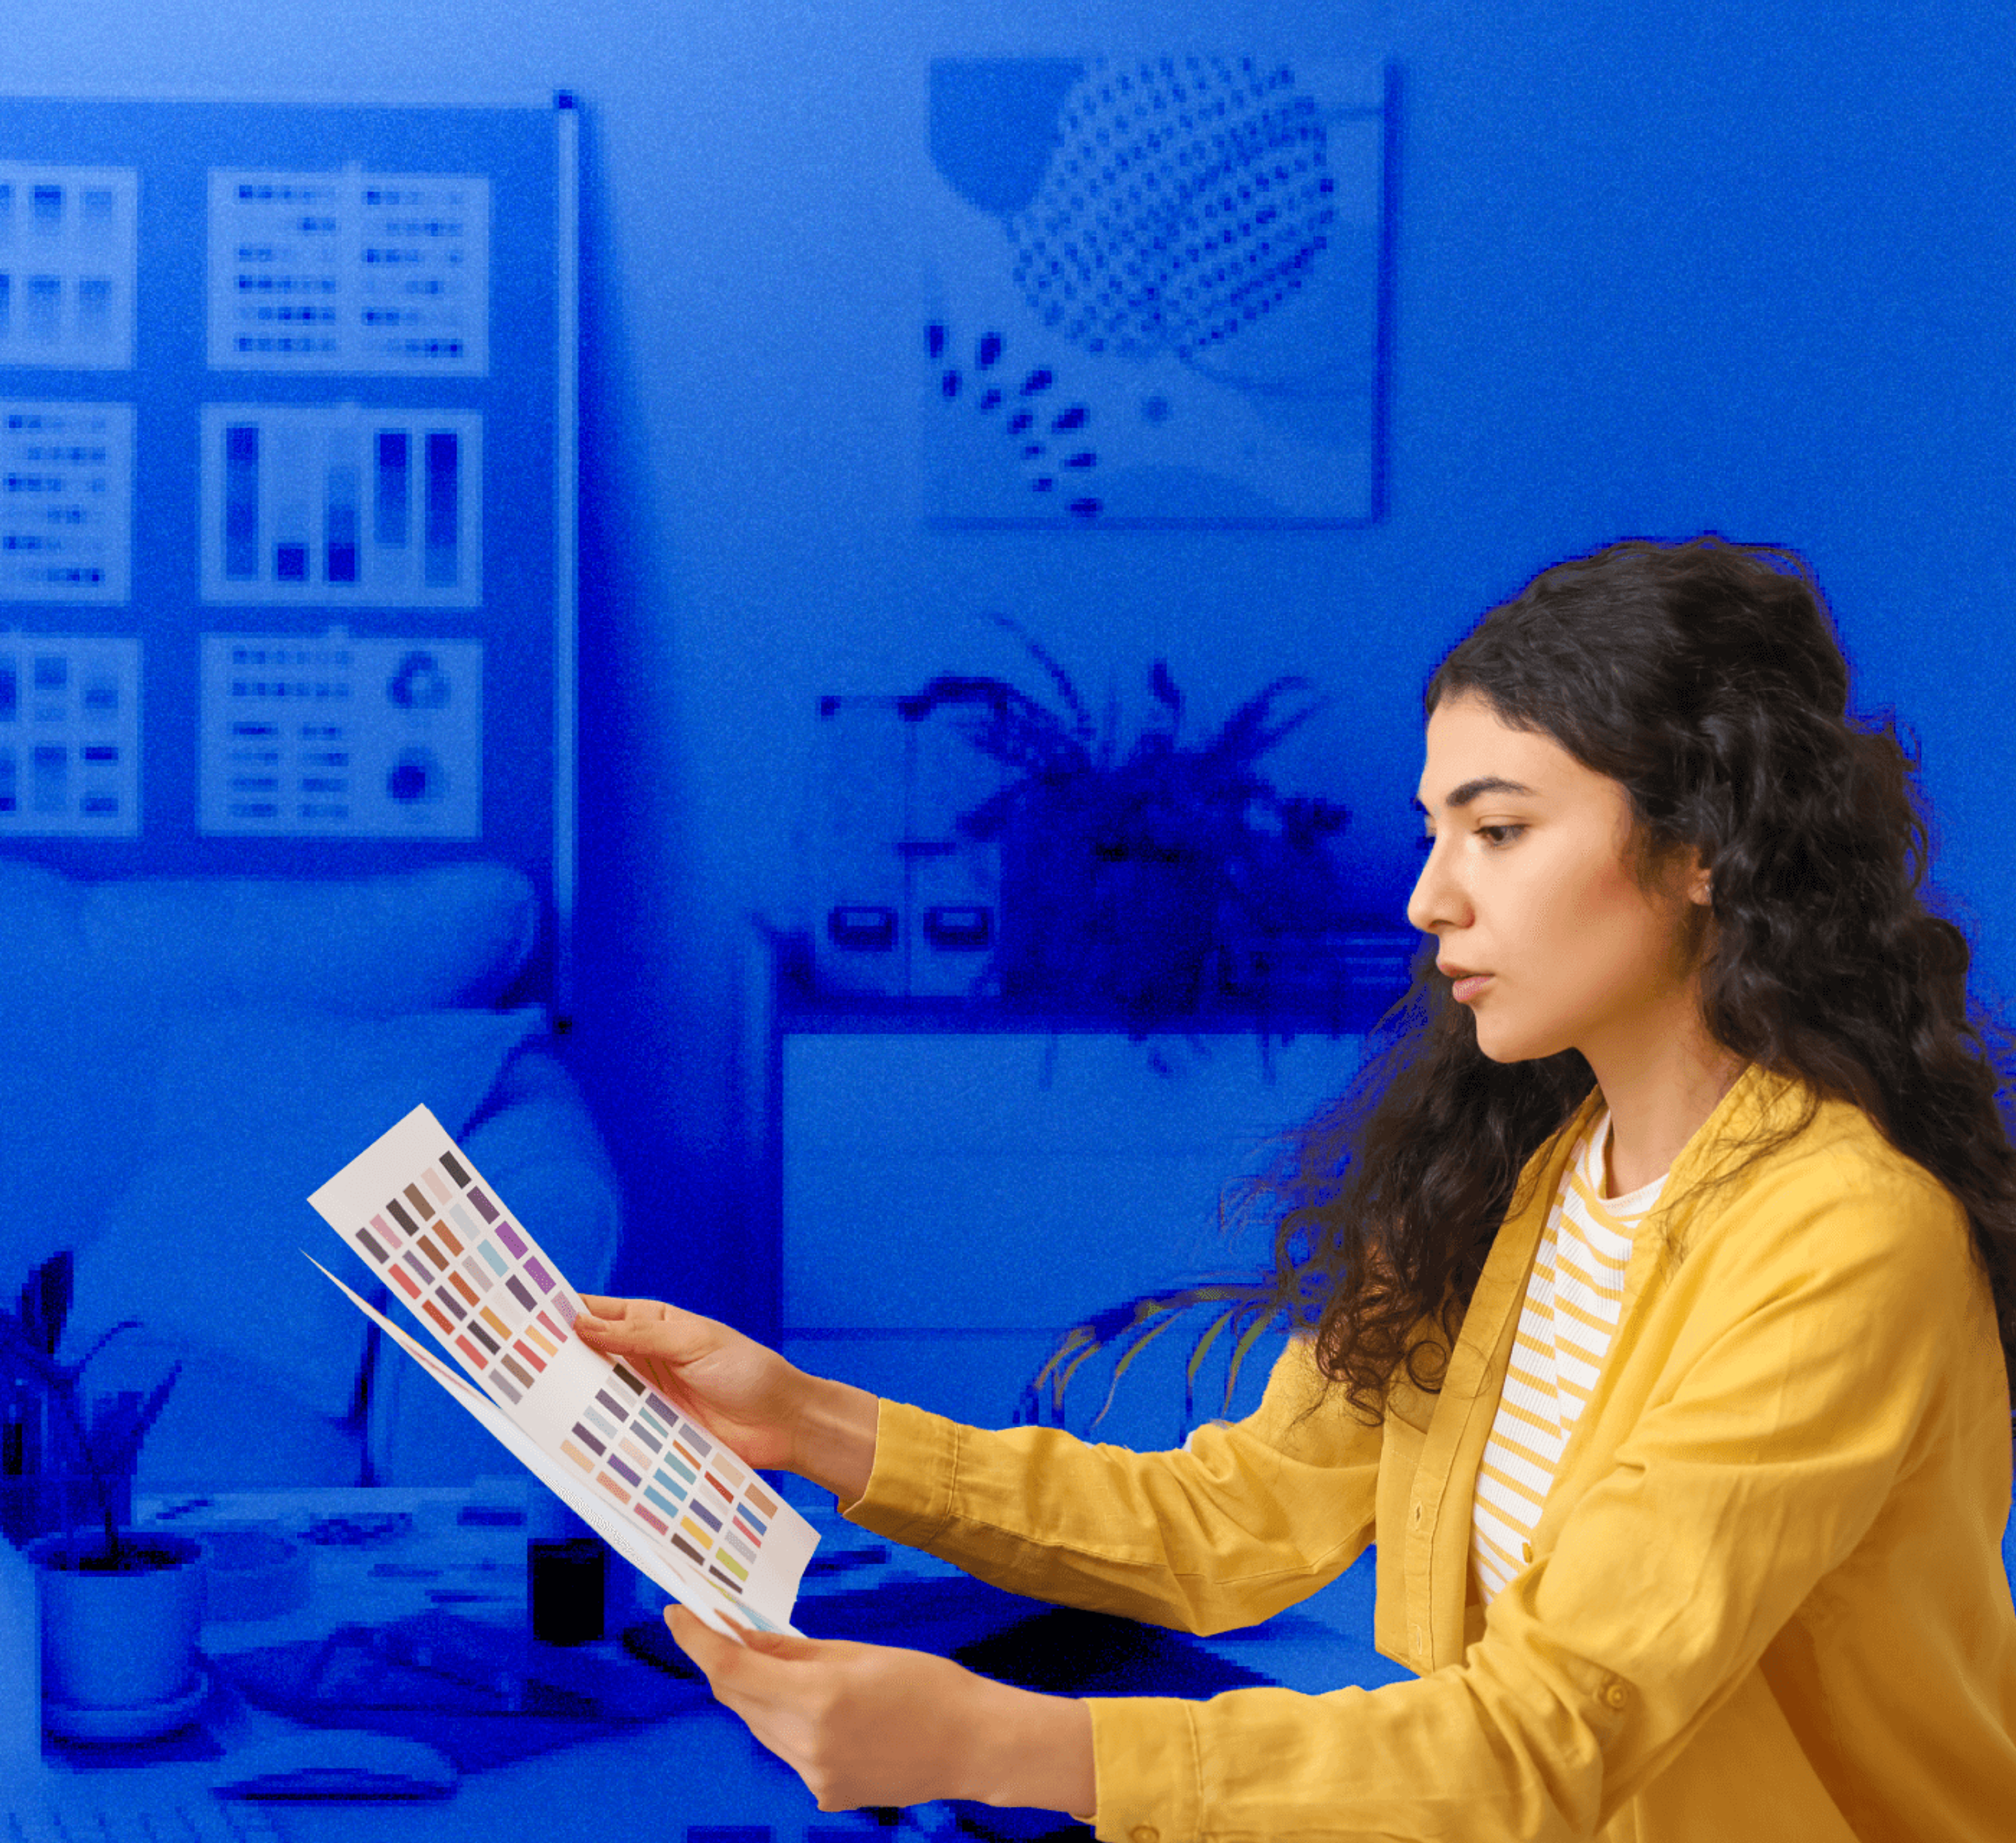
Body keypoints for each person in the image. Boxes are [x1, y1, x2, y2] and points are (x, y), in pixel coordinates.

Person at [576, 535, 2016, 1840]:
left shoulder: (1840, 1239)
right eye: (1435, 827)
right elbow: (1232, 1519)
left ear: (1702, 848)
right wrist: (805, 1418)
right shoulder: (1524, 1175)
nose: (1429, 896)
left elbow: (1548, 1734)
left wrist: (1002, 1741)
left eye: (1499, 829)